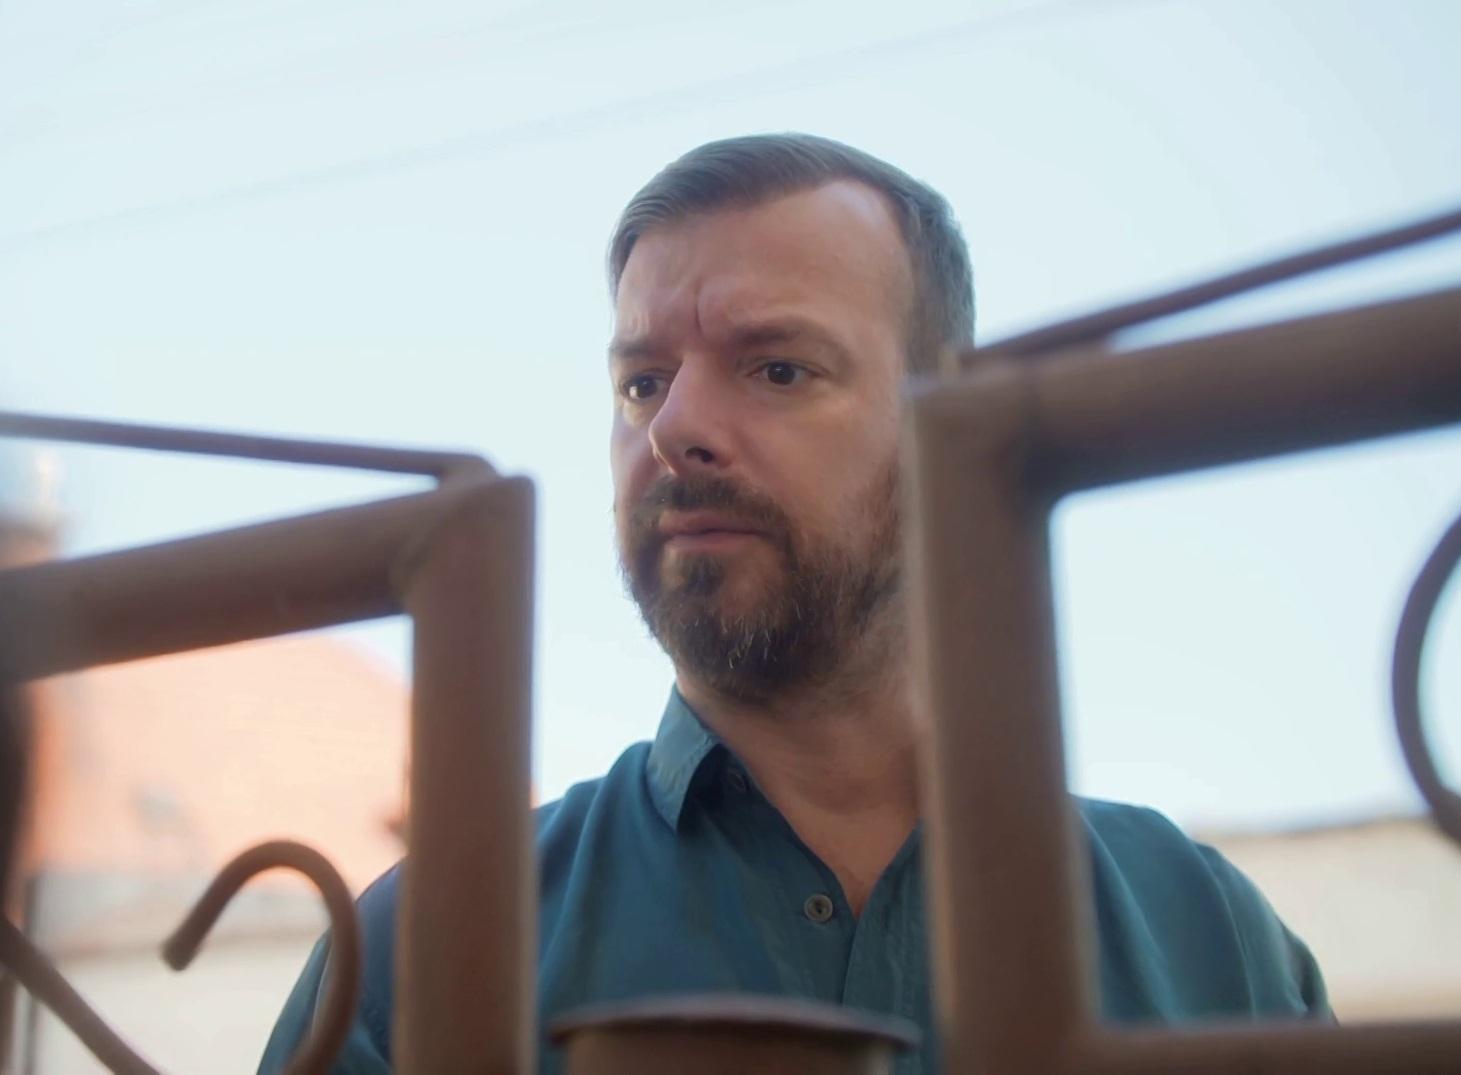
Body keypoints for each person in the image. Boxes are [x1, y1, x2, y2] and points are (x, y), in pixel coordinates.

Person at [260, 133, 1329, 1075]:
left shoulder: (1207, 936)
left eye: (776, 369)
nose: (674, 428)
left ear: (943, 422)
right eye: (641, 382)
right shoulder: (424, 949)